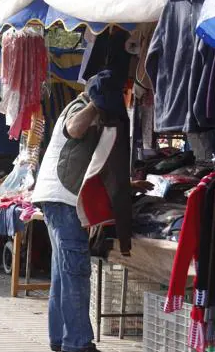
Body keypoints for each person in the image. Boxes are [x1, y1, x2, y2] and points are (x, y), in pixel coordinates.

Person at [31, 72, 152, 352]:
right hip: (63, 199)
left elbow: (93, 165)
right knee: (75, 270)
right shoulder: (79, 107)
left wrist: (129, 184)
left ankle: (61, 339)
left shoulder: (90, 112)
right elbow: (74, 129)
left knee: (64, 272)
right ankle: (78, 343)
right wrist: (96, 104)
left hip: (57, 197)